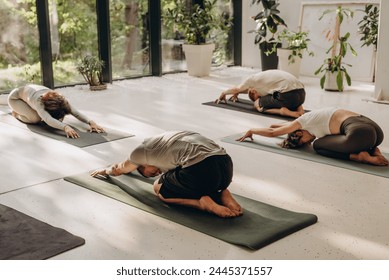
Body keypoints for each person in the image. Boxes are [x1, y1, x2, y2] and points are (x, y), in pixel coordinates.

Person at [91, 131, 243, 218]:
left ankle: (203, 204)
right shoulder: (166, 139)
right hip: (226, 166)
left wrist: (105, 170)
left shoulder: (139, 153)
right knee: (189, 177)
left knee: (159, 188)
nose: (157, 173)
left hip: (201, 170)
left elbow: (119, 169)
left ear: (142, 164)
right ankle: (223, 192)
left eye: (150, 173)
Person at [237, 107, 388, 166]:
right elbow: (276, 127)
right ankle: (374, 150)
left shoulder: (302, 122)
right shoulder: (309, 119)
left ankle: (362, 157)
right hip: (374, 131)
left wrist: (252, 130)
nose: (309, 141)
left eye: (303, 141)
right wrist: (274, 127)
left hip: (359, 134)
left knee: (319, 146)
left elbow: (273, 132)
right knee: (327, 141)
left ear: (298, 132)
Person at [8, 84, 104, 138]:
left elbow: (75, 113)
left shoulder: (60, 100)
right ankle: (16, 113)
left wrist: (91, 122)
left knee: (56, 119)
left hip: (28, 96)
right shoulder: (39, 101)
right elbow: (48, 119)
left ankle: (26, 111)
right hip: (15, 99)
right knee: (35, 119)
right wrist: (65, 127)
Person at [215, 69, 306, 118]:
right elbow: (244, 89)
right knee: (278, 95)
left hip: (288, 97)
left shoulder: (252, 79)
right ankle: (300, 111)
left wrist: (224, 93)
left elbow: (237, 88)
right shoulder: (263, 78)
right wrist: (237, 93)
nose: (262, 96)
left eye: (257, 96)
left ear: (253, 91)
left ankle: (289, 113)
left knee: (258, 104)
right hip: (302, 95)